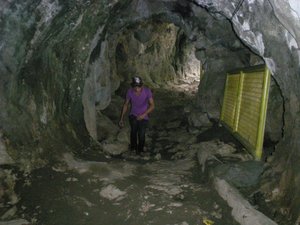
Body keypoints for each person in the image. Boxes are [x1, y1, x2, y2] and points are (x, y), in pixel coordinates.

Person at [119, 76, 154, 154]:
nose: (137, 88)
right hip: (133, 114)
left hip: (144, 116)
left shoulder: (147, 91)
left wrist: (143, 115)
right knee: (134, 131)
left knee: (141, 134)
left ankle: (140, 150)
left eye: (139, 86)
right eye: (135, 86)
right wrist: (121, 118)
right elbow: (126, 104)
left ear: (142, 85)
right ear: (133, 86)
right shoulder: (130, 92)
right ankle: (133, 148)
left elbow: (152, 105)